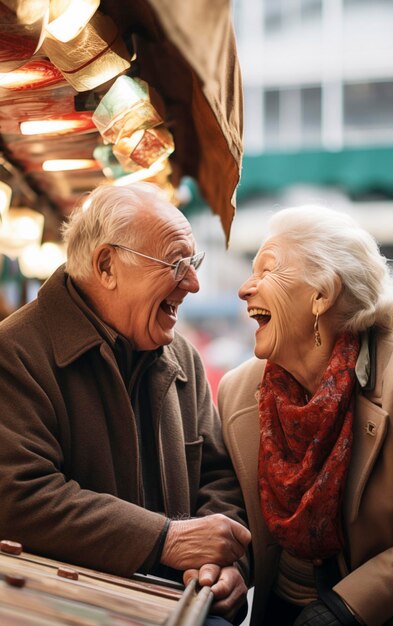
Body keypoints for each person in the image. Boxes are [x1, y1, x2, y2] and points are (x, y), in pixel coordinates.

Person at [0, 182, 251, 625]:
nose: (193, 283)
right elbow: (18, 495)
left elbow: (218, 477)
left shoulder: (182, 356)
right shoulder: (15, 353)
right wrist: (164, 540)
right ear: (107, 266)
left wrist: (224, 567)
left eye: (194, 262)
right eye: (176, 263)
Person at [218, 204, 393, 626]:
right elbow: (233, 510)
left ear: (322, 295)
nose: (245, 288)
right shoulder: (237, 393)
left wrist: (345, 609)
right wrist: (231, 567)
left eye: (267, 271)